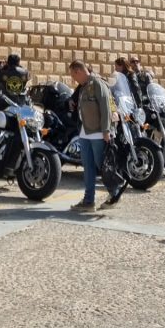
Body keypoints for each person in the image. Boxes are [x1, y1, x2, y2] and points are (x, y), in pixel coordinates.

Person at [68, 60, 113, 213]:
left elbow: (106, 107)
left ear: (78, 71)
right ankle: (88, 201)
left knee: (103, 166)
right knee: (88, 168)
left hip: (98, 132)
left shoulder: (97, 84)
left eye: (73, 75)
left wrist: (106, 130)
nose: (74, 79)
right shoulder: (83, 86)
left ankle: (114, 193)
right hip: (85, 131)